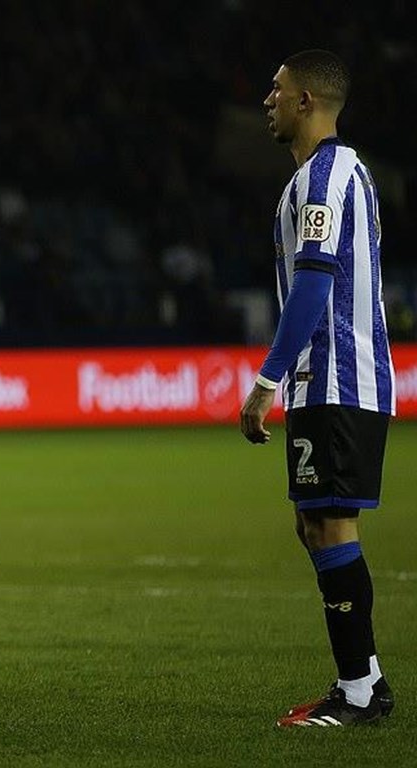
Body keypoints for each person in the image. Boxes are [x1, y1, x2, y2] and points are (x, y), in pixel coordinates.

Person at [240, 50, 396, 728]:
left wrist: (265, 381)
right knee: (314, 524)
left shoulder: (327, 177)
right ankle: (366, 680)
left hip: (336, 375)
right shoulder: (320, 176)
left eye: (276, 90)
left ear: (306, 100)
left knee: (330, 521)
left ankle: (359, 692)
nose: (266, 100)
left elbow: (313, 286)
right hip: (324, 380)